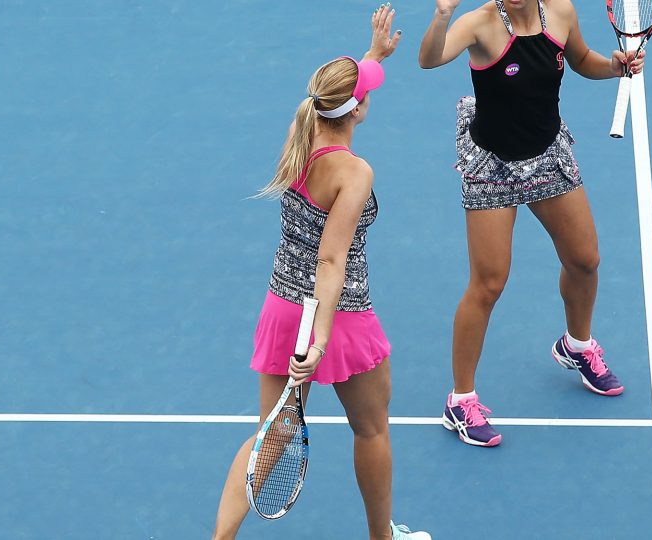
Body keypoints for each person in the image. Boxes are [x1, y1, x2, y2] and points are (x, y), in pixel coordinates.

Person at [212, 5, 430, 539]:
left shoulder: (300, 130)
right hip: (340, 316)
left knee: (270, 436)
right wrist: (322, 338)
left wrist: (374, 55)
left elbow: (346, 89)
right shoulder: (354, 173)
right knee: (371, 428)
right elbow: (332, 260)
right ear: (359, 110)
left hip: (282, 308)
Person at [418, 0, 645, 447]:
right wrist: (442, 16)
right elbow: (429, 59)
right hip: (492, 166)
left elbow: (582, 59)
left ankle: (577, 346)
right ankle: (460, 401)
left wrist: (614, 67)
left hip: (546, 156)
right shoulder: (479, 24)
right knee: (488, 284)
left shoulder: (561, 12)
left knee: (584, 261)